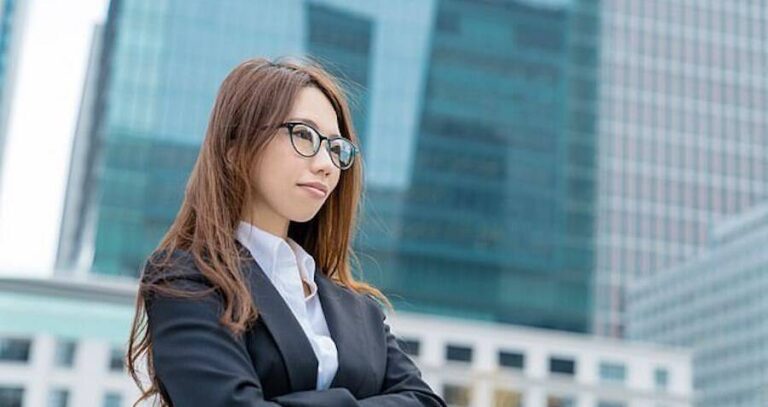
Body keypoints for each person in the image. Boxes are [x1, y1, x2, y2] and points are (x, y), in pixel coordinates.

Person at [125, 57, 447, 407]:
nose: (326, 165)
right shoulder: (187, 280)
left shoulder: (361, 310)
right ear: (235, 148)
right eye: (304, 135)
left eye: (335, 148)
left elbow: (426, 402)